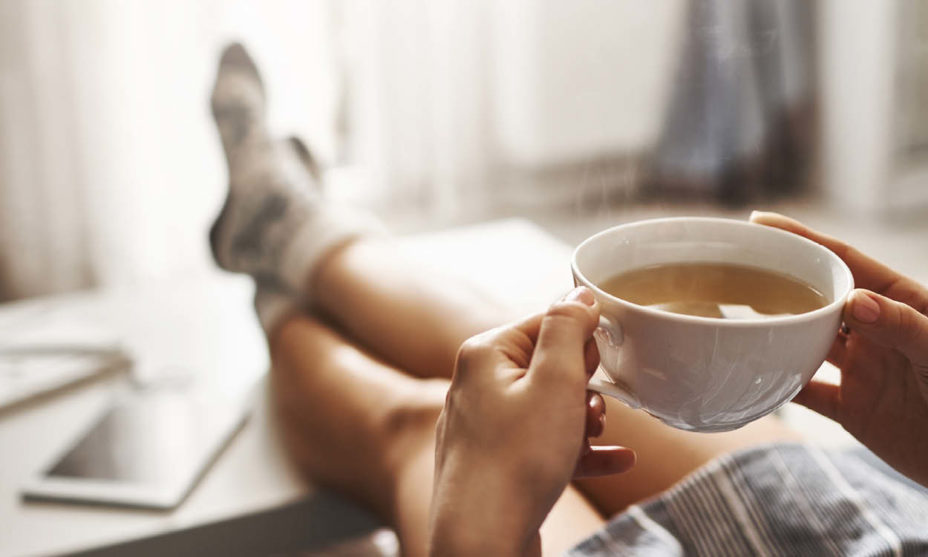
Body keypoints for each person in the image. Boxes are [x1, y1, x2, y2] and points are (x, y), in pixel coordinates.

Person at [208, 44, 928, 556]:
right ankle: (287, 224)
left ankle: (278, 276)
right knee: (497, 361)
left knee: (426, 427)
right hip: (877, 526)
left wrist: (479, 534)